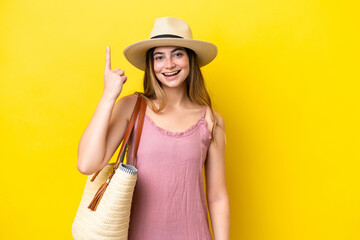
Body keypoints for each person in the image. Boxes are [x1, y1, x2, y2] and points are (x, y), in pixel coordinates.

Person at [77, 16, 230, 239]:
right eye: (160, 57)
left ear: (191, 59)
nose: (169, 64)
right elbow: (86, 164)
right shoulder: (132, 107)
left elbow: (218, 197)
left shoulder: (211, 120)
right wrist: (108, 97)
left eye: (177, 54)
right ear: (151, 65)